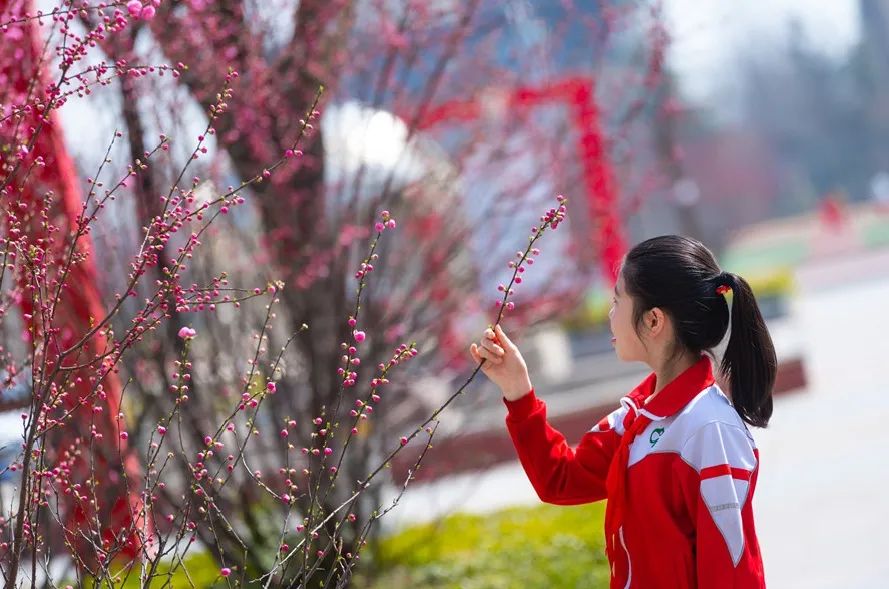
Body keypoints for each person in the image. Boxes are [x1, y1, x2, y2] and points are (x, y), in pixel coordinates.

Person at [470, 235, 776, 588]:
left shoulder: (710, 428)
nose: (609, 314)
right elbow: (560, 480)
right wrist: (517, 391)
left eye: (617, 300)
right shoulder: (635, 420)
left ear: (653, 320)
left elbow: (732, 573)